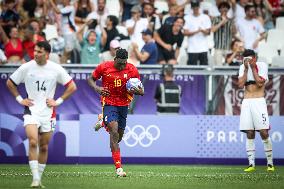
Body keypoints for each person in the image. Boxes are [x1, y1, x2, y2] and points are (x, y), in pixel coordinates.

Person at [6, 41, 77, 187]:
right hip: (31, 110)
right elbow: (10, 83)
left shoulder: (55, 69)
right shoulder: (27, 67)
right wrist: (20, 99)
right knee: (33, 142)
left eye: (39, 52)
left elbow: (72, 86)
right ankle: (36, 179)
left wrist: (58, 101)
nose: (35, 54)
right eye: (35, 51)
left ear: (47, 54)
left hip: (48, 113)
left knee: (44, 146)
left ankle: (40, 177)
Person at [88, 48, 144, 177]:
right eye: (120, 63)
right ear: (115, 59)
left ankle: (103, 121)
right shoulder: (104, 67)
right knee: (113, 130)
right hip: (109, 102)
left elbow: (141, 90)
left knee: (118, 136)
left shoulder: (132, 69)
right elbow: (90, 79)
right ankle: (119, 168)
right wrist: (97, 88)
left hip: (124, 104)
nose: (122, 66)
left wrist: (138, 90)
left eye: (124, 63)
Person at [238, 49, 274, 172]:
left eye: (248, 59)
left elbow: (259, 83)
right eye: (244, 59)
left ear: (254, 58)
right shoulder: (242, 68)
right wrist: (246, 69)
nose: (246, 61)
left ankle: (270, 163)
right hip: (247, 102)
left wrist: (253, 68)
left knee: (263, 132)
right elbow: (240, 84)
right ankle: (251, 164)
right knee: (249, 132)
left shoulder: (262, 66)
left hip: (259, 101)